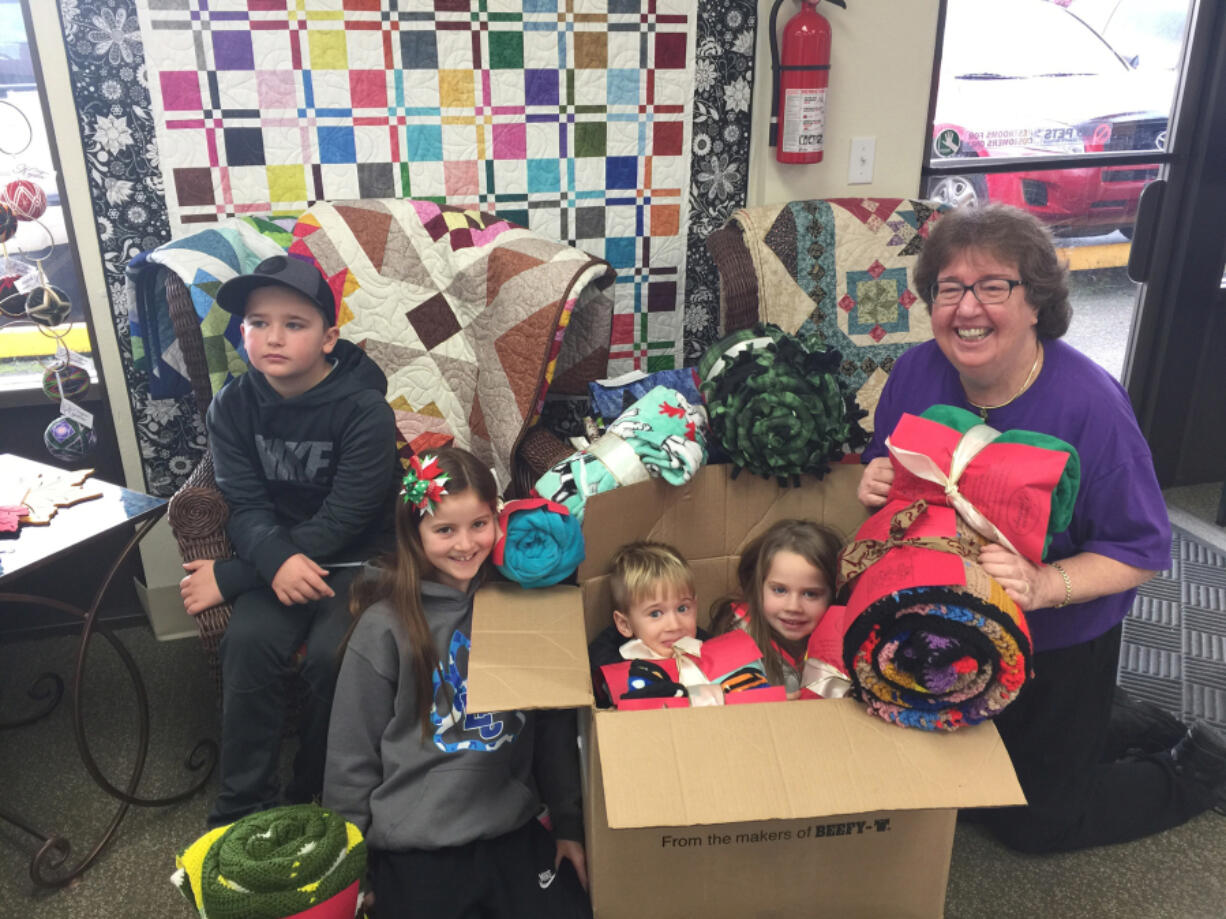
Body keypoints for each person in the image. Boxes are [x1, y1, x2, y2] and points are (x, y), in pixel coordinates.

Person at [857, 202, 1226, 852]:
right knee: (958, 791)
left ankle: (1196, 768)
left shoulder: (1090, 406)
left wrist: (1045, 582)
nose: (967, 308)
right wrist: (875, 484)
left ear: (1036, 303)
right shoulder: (915, 371)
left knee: (1036, 823)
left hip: (1057, 632)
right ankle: (1117, 718)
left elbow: (1141, 547)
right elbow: (884, 468)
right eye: (949, 288)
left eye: (993, 286)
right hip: (944, 611)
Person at [177, 254, 400, 826]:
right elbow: (245, 504)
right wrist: (274, 562)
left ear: (329, 338)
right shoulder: (232, 404)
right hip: (273, 553)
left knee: (333, 656)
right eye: (257, 322)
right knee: (248, 644)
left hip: (359, 557)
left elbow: (346, 518)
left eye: (293, 324)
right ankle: (240, 804)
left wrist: (232, 575)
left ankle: (314, 790)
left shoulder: (364, 410)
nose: (272, 337)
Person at [323, 447, 589, 917]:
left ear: (498, 521)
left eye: (479, 525)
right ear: (415, 532)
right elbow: (351, 757)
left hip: (510, 825)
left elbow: (554, 725)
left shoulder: (525, 608)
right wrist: (352, 874)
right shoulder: (384, 626)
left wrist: (568, 826)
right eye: (445, 529)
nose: (465, 544)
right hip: (416, 840)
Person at [587, 541, 774, 708]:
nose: (674, 625)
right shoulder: (619, 665)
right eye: (655, 613)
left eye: (682, 608)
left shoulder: (711, 650)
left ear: (696, 605)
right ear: (625, 624)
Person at [709, 519, 843, 698]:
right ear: (758, 586)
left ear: (834, 594)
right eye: (780, 590)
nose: (793, 607)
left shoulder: (842, 636)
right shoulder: (736, 632)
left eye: (810, 594)